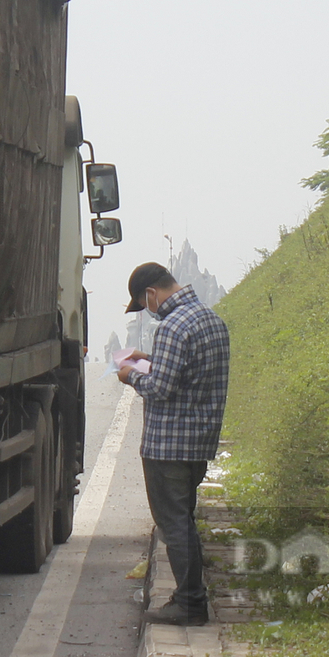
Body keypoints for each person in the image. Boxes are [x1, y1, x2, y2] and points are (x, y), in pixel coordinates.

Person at [118, 260, 230, 626]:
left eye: (143, 303)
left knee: (173, 523)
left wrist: (131, 376)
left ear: (151, 294)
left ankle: (189, 603)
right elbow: (188, 371)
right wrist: (149, 359)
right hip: (198, 443)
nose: (147, 310)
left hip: (168, 446)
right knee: (184, 519)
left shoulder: (171, 326)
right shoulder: (211, 320)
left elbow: (161, 387)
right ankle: (191, 597)